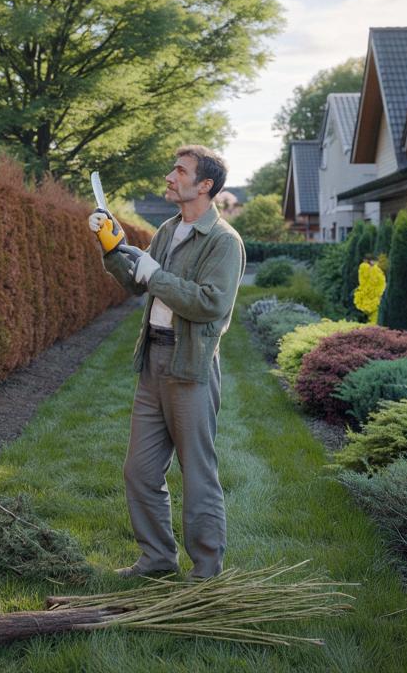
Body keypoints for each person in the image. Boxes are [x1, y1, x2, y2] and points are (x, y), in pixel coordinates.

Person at [88, 145, 244, 579]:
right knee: (138, 470)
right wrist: (112, 247)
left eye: (180, 171)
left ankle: (206, 569)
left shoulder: (223, 242)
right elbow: (138, 286)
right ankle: (157, 559)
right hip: (153, 359)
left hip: (190, 367)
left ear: (205, 185)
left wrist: (153, 274)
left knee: (198, 474)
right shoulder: (168, 230)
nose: (170, 177)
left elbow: (210, 303)